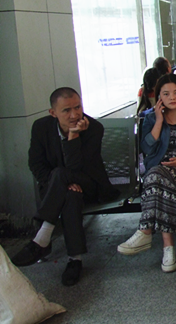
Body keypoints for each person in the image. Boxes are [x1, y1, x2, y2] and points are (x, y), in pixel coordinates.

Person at [11, 88, 118, 286]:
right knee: (69, 193)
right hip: (60, 187)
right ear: (53, 113)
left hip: (89, 185)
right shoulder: (41, 127)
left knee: (61, 174)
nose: (74, 114)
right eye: (66, 110)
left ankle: (42, 238)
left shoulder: (94, 128)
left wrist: (74, 135)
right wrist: (59, 184)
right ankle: (75, 260)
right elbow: (35, 164)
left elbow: (78, 168)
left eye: (77, 107)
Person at [117, 74, 176, 273]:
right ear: (158, 96)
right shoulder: (151, 118)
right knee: (156, 177)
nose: (172, 97)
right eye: (166, 94)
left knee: (155, 178)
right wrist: (159, 121)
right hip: (157, 173)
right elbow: (147, 149)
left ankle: (146, 232)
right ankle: (168, 248)